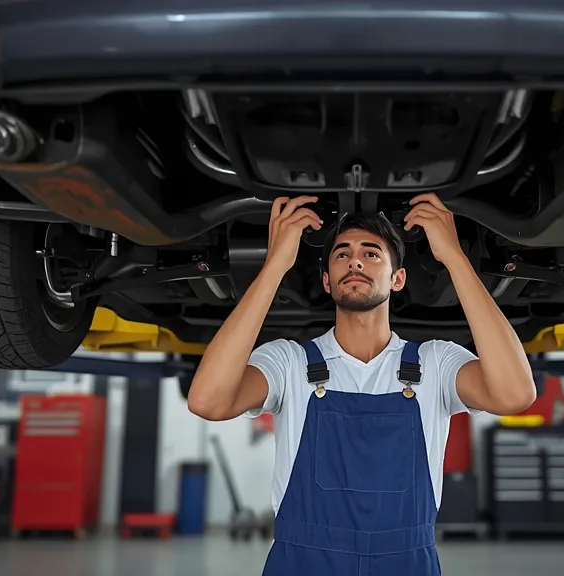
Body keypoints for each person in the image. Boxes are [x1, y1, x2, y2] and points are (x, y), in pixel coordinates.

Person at [187, 192, 537, 576]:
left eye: (372, 253)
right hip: (304, 563)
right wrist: (274, 265)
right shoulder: (289, 362)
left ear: (398, 277)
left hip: (406, 562)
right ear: (326, 280)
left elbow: (515, 394)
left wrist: (454, 256)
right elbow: (208, 401)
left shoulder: (435, 363)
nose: (355, 259)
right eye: (341, 254)